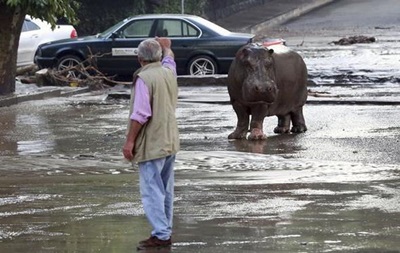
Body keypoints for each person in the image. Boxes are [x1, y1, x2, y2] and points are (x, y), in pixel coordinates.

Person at [122, 37, 179, 250]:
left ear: (139, 59)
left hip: (152, 143)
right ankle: (164, 230)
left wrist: (129, 142)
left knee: (152, 190)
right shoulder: (168, 72)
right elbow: (170, 60)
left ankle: (162, 234)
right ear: (158, 57)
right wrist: (167, 47)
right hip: (170, 140)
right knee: (165, 189)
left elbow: (140, 114)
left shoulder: (144, 78)